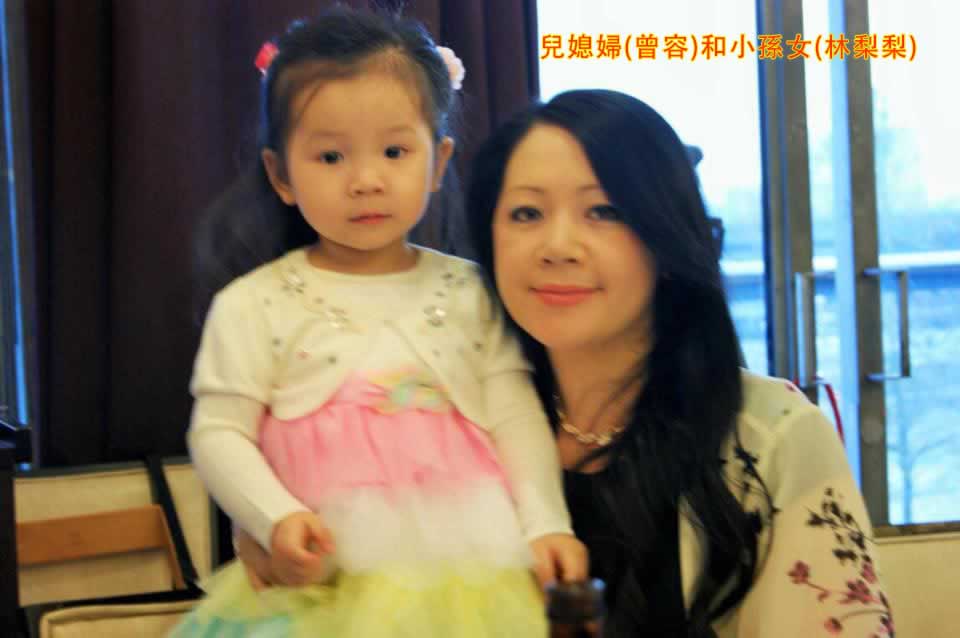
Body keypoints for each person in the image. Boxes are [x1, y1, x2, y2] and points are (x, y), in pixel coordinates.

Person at [238, 88, 895, 637]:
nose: (557, 246)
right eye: (526, 213)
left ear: (666, 237)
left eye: (603, 211)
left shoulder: (769, 437)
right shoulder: (424, 418)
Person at [171, 8, 586, 637]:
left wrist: (547, 524)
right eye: (330, 156)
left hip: (472, 585)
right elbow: (219, 432)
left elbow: (514, 416)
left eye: (395, 151)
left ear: (438, 161)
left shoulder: (474, 291)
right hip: (320, 586)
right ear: (281, 174)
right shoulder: (252, 304)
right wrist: (274, 519)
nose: (366, 180)